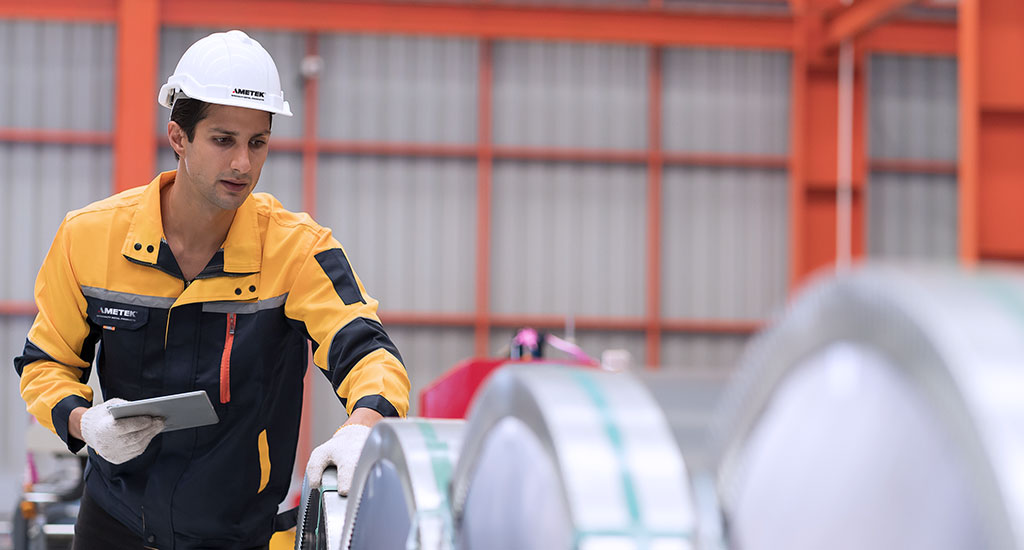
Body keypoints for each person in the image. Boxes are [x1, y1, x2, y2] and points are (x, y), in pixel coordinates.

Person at [13, 30, 410, 550]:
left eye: (257, 142)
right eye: (223, 140)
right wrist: (84, 423)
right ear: (179, 136)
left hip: (238, 535)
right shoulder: (89, 240)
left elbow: (371, 354)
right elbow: (45, 363)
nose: (243, 164)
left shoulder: (297, 251)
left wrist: (363, 425)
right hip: (115, 525)